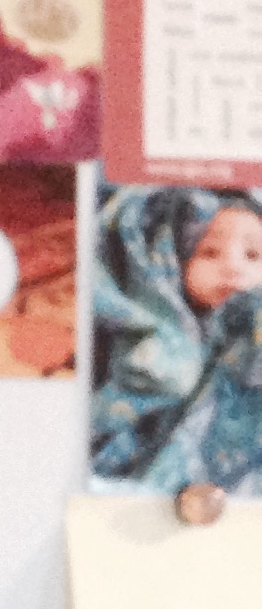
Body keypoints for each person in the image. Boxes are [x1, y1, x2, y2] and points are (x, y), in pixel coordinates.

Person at [90, 182, 262, 489]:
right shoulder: (154, 330)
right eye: (209, 252)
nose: (234, 268)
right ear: (169, 260)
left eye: (253, 255)